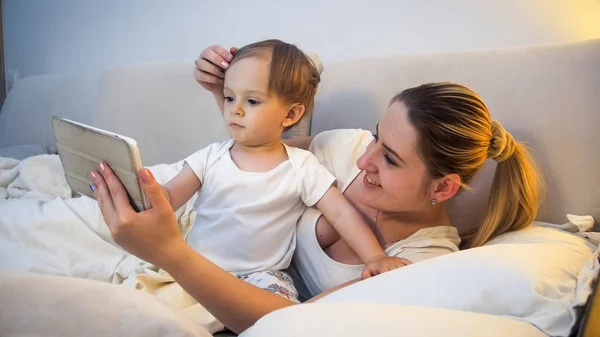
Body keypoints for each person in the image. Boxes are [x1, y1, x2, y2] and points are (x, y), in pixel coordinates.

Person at [90, 44, 542, 334]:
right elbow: (262, 152)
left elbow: (287, 324)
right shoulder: (348, 148)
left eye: (390, 158)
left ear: (443, 189)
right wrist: (229, 93)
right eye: (376, 135)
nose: (366, 157)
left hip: (236, 280)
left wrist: (169, 252)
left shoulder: (422, 262)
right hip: (204, 223)